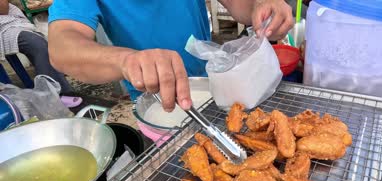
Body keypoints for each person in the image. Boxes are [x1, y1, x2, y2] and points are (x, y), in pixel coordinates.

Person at [47, 0, 294, 112]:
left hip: (211, 88)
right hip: (156, 100)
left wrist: (261, 5)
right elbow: (62, 46)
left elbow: (240, 5)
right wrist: (126, 60)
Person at [0, 1, 81, 107]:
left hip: (5, 24)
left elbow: (3, 9)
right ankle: (7, 104)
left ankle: (55, 94)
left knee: (36, 43)